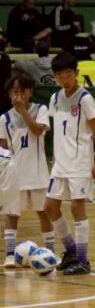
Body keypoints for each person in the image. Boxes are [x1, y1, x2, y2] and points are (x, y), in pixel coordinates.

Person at [43, 51, 95, 275]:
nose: (64, 79)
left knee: (77, 207)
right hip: (60, 163)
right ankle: (71, 251)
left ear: (76, 73)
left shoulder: (85, 98)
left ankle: (83, 260)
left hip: (80, 162)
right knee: (50, 207)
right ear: (55, 77)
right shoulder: (54, 98)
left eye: (68, 74)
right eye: (59, 75)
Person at [0, 73, 53, 268]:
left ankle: (50, 251)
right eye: (15, 92)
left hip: (38, 173)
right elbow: (3, 146)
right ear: (9, 94)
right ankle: (10, 255)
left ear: (30, 92)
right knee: (12, 214)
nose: (19, 96)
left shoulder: (40, 109)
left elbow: (38, 131)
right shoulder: (4, 118)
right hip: (15, 174)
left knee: (44, 212)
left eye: (22, 91)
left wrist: (23, 111)